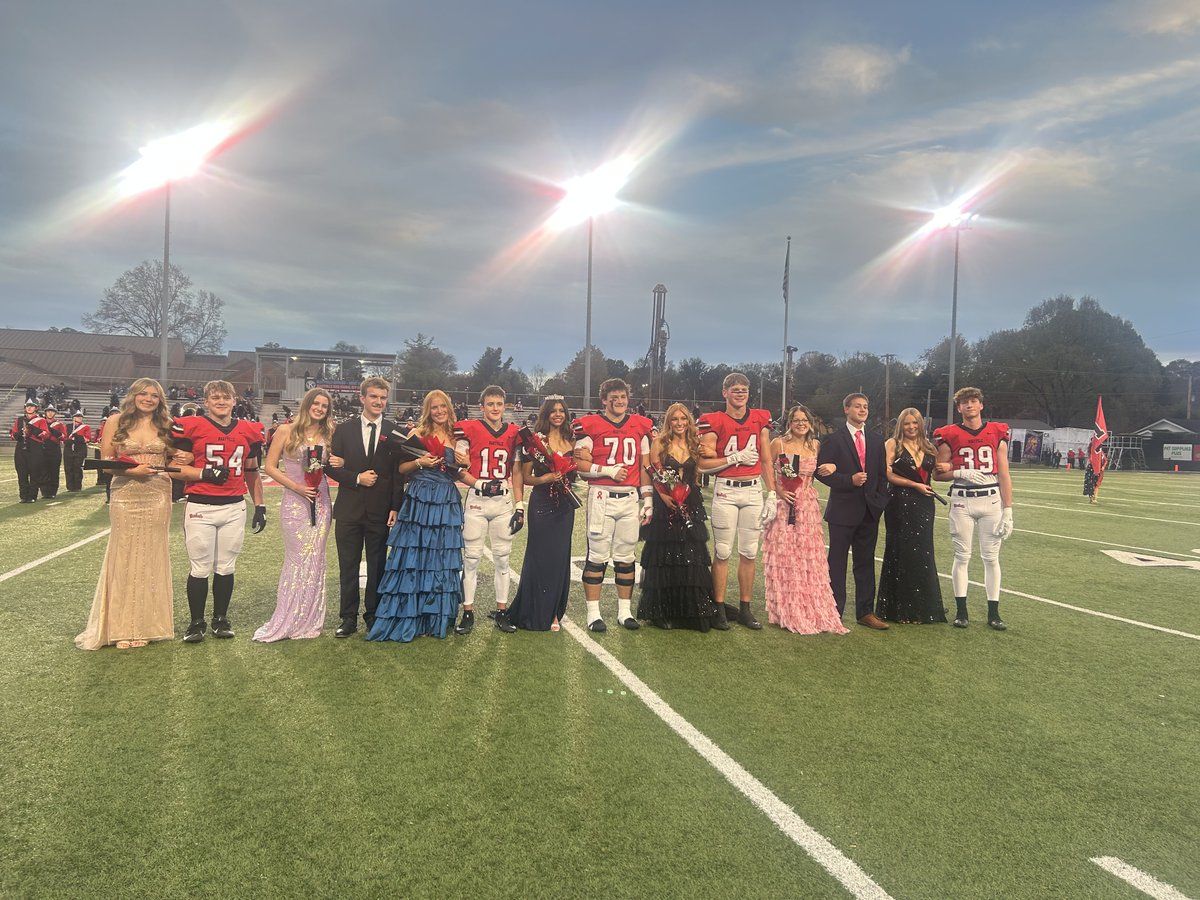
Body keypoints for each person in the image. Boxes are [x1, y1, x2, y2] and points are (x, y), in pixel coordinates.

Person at [75, 379, 177, 650]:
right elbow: (106, 463)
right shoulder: (116, 421)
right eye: (143, 393)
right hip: (125, 493)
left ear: (160, 400)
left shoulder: (167, 423)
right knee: (123, 554)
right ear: (133, 396)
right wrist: (132, 471)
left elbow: (178, 456)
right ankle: (120, 627)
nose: (148, 399)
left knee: (151, 555)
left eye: (154, 395)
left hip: (158, 493)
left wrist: (183, 459)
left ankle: (146, 625)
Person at [172, 380, 267, 643]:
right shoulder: (191, 426)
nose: (221, 401)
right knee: (200, 567)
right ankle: (196, 622)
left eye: (226, 397)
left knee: (226, 566)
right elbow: (176, 467)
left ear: (235, 400)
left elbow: (251, 471)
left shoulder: (249, 430)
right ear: (206, 402)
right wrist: (203, 472)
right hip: (201, 504)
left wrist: (259, 505)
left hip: (234, 506)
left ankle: (221, 618)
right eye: (215, 397)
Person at [368, 389, 463, 642]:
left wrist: (463, 463)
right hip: (419, 500)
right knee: (414, 555)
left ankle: (434, 619)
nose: (439, 411)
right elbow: (401, 468)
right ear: (427, 410)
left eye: (443, 406)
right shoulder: (417, 434)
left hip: (445, 500)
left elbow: (459, 472)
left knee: (440, 558)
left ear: (449, 408)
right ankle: (410, 616)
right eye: (434, 408)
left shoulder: (458, 435)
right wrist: (422, 463)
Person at [254, 388, 337, 642]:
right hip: (294, 501)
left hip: (321, 502)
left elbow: (332, 465)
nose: (320, 408)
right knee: (297, 558)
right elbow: (269, 466)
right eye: (316, 403)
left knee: (316, 559)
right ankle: (288, 617)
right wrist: (296, 487)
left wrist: (338, 463)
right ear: (307, 404)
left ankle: (310, 619)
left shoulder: (329, 433)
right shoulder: (285, 431)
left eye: (325, 405)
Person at [573, 378, 655, 632]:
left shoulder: (640, 426)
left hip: (630, 497)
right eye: (614, 398)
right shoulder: (590, 425)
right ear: (604, 400)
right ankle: (593, 613)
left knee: (626, 556)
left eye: (622, 397)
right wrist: (606, 469)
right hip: (601, 495)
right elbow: (579, 464)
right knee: (597, 556)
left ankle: (624, 612)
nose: (619, 402)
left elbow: (644, 466)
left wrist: (648, 498)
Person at [324, 378, 404, 637]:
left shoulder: (394, 431)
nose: (378, 402)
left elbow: (396, 473)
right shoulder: (343, 430)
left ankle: (373, 614)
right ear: (362, 398)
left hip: (380, 511)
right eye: (373, 397)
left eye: (382, 398)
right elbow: (330, 467)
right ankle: (348, 618)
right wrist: (356, 477)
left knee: (377, 566)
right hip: (349, 510)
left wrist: (395, 506)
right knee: (348, 566)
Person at [698, 372, 778, 630]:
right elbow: (702, 464)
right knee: (722, 552)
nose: (740, 394)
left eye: (743, 390)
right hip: (726, 490)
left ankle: (745, 607)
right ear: (725, 393)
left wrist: (772, 492)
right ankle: (718, 607)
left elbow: (765, 459)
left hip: (753, 490)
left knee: (749, 552)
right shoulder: (713, 421)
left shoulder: (759, 419)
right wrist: (734, 458)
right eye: (735, 390)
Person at [933, 386, 1014, 631]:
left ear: (981, 405)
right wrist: (960, 472)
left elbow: (1004, 473)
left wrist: (1008, 509)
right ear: (959, 408)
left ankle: (994, 612)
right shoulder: (949, 434)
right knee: (962, 556)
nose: (969, 406)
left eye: (973, 401)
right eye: (964, 403)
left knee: (991, 558)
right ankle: (961, 611)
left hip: (991, 500)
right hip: (962, 500)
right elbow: (938, 473)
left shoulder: (996, 432)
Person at [761, 405, 847, 635]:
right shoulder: (778, 443)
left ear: (810, 422)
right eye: (796, 419)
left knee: (806, 556)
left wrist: (834, 465)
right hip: (784, 504)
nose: (801, 423)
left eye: (804, 420)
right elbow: (766, 467)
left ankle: (809, 606)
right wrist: (777, 491)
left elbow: (824, 469)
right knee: (785, 555)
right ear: (790, 422)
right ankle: (785, 610)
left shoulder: (816, 445)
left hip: (808, 505)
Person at [637, 403, 720, 631]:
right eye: (675, 419)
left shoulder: (696, 443)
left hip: (690, 502)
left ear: (689, 421)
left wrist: (712, 453)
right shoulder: (660, 443)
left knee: (690, 555)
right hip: (665, 504)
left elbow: (703, 468)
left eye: (683, 418)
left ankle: (689, 611)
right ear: (669, 422)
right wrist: (663, 498)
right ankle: (661, 612)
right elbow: (653, 473)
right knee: (664, 556)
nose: (680, 423)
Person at [452, 385, 525, 635]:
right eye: (490, 404)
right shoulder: (468, 429)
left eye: (499, 404)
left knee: (503, 560)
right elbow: (458, 469)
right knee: (471, 559)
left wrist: (520, 504)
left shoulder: (514, 433)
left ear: (505, 406)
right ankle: (468, 612)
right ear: (481, 406)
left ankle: (502, 611)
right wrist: (479, 482)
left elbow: (516, 471)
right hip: (477, 500)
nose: (495, 408)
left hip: (503, 501)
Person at [815, 393, 891, 630]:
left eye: (865, 406)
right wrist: (849, 480)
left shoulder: (877, 440)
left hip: (869, 511)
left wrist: (879, 501)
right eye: (857, 406)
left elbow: (880, 475)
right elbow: (820, 472)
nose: (862, 410)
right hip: (842, 511)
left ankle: (865, 612)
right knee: (837, 563)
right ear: (846, 409)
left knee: (865, 562)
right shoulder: (833, 439)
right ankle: (834, 610)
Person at [508, 396, 577, 632]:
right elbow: (526, 477)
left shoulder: (573, 440)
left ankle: (554, 612)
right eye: (553, 411)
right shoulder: (536, 442)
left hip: (565, 507)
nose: (558, 414)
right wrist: (546, 478)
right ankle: (533, 611)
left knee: (559, 560)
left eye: (561, 411)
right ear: (546, 414)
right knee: (539, 559)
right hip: (541, 504)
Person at [877, 408, 946, 625]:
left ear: (921, 424)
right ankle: (899, 609)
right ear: (900, 425)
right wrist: (914, 484)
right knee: (902, 551)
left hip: (925, 504)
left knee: (923, 554)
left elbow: (935, 474)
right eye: (907, 423)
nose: (911, 427)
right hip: (899, 502)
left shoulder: (929, 447)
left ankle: (923, 608)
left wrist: (947, 467)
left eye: (915, 423)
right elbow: (887, 473)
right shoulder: (892, 444)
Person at [10, 400, 43, 503]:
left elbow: (45, 434)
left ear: (36, 408)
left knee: (34, 472)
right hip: (21, 448)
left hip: (35, 448)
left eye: (32, 406)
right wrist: (17, 435)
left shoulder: (40, 420)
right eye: (27, 406)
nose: (29, 408)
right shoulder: (19, 420)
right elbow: (13, 434)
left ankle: (32, 496)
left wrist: (33, 430)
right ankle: (23, 496)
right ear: (25, 408)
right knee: (21, 472)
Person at [40, 404, 67, 498]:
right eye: (48, 411)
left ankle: (52, 492)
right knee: (43, 471)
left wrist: (51, 431)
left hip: (54, 449)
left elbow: (63, 437)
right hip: (42, 448)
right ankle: (44, 491)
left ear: (55, 413)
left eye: (52, 411)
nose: (50, 413)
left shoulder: (59, 424)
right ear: (45, 413)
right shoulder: (41, 422)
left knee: (54, 471)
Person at [62, 412, 92, 492]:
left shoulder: (86, 427)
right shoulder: (67, 426)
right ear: (73, 417)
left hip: (80, 449)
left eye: (80, 417)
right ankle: (70, 486)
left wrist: (76, 439)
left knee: (77, 467)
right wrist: (74, 439)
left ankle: (77, 486)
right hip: (68, 449)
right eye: (77, 416)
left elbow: (87, 439)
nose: (78, 418)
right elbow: (64, 438)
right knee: (68, 468)